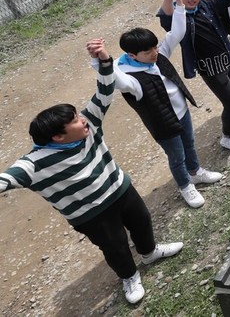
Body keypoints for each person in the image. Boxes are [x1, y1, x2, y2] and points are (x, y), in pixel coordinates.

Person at [1, 39, 183, 305]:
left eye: (77, 114)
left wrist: (105, 60)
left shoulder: (90, 125)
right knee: (115, 246)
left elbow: (105, 89)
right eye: (74, 120)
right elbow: (5, 180)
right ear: (57, 137)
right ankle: (129, 276)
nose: (82, 119)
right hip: (90, 214)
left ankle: (150, 252)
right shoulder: (33, 164)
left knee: (142, 221)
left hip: (120, 190)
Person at [115, 0, 224, 208]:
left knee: (190, 144)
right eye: (148, 51)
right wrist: (101, 61)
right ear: (132, 55)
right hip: (164, 123)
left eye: (155, 47)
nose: (155, 53)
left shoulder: (159, 55)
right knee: (176, 156)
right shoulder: (128, 77)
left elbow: (178, 32)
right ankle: (185, 186)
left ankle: (195, 171)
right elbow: (113, 79)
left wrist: (179, 3)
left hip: (181, 111)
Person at [159, 0, 230, 154]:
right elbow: (166, 19)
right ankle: (228, 137)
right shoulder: (179, 17)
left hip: (228, 58)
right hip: (210, 68)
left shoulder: (206, 5)